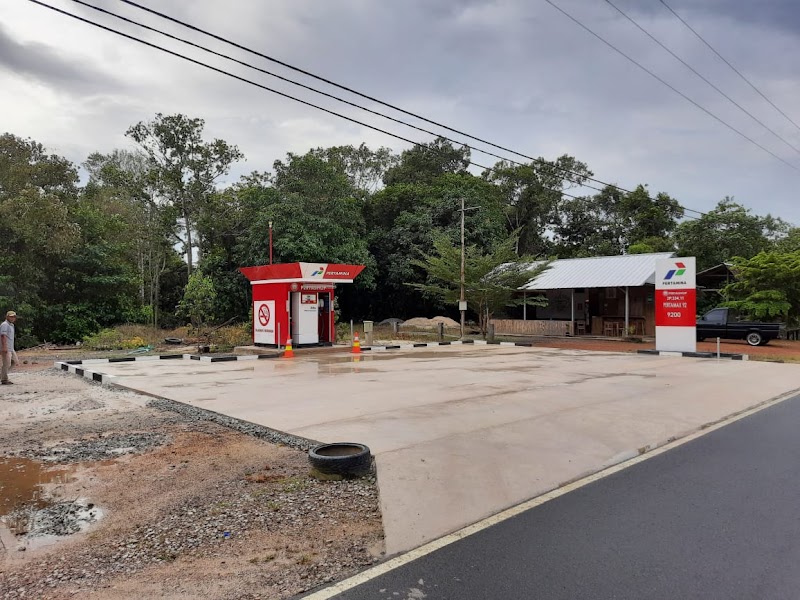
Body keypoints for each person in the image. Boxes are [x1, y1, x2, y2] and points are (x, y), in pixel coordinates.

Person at [1, 310, 18, 385]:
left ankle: (2, 375)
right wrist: (4, 347)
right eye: (11, 316)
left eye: (14, 317)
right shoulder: (4, 325)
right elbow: (3, 336)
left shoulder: (12, 325)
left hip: (11, 347)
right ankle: (4, 379)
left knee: (15, 361)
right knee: (7, 363)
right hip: (6, 347)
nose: (12, 318)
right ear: (7, 317)